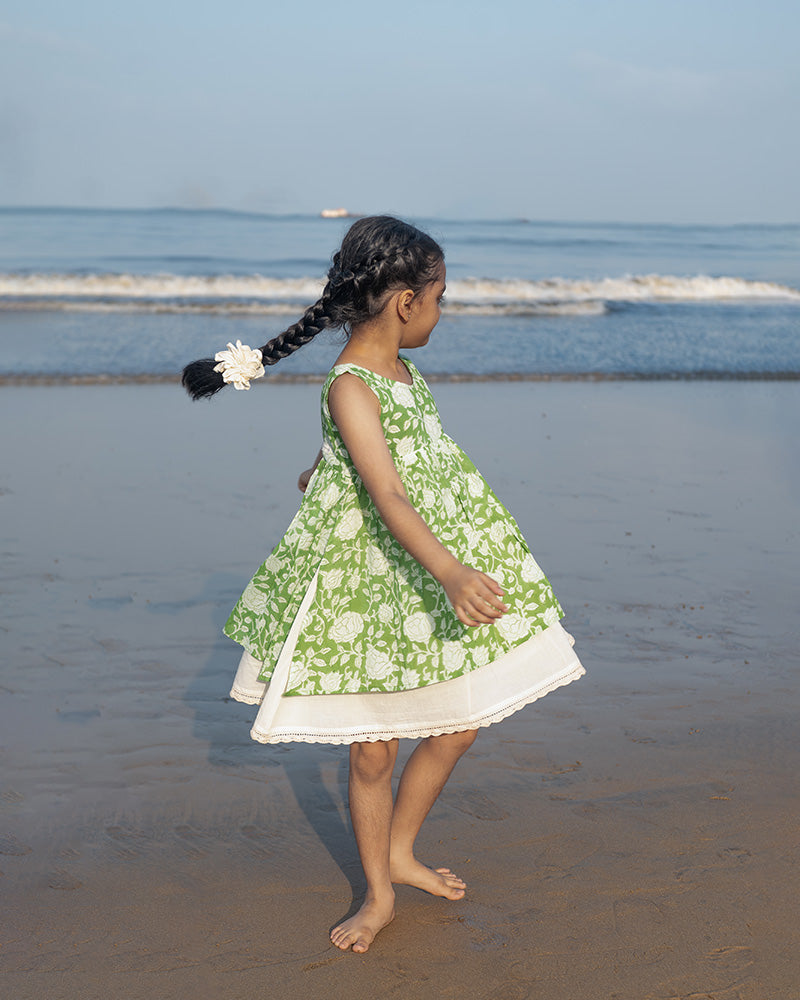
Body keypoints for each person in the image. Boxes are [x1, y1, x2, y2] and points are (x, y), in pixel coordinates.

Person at [182, 216, 585, 953]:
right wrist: (451, 570)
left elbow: (376, 456)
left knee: (456, 723)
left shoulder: (401, 372)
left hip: (426, 556)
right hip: (375, 576)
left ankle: (402, 849)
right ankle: (378, 891)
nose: (441, 310)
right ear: (404, 301)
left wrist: (325, 468)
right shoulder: (350, 383)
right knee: (373, 748)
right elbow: (389, 494)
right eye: (439, 297)